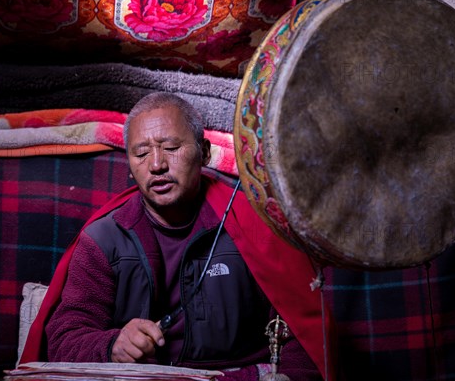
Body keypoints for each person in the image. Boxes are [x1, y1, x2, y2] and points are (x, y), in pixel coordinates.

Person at [24, 92, 337, 380]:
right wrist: (112, 346)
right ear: (130, 168)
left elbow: (305, 339)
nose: (157, 165)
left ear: (203, 152)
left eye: (171, 148)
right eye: (141, 153)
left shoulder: (254, 226)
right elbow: (64, 340)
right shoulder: (104, 239)